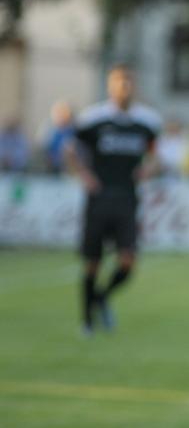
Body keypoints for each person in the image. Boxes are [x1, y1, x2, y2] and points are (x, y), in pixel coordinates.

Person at [65, 65, 161, 336]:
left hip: (128, 199)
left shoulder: (146, 122)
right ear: (110, 86)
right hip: (99, 199)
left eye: (129, 82)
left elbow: (155, 154)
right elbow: (71, 149)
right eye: (120, 82)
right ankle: (86, 321)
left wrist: (149, 168)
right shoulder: (94, 119)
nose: (125, 87)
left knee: (128, 261)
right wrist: (83, 175)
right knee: (92, 262)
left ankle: (102, 298)